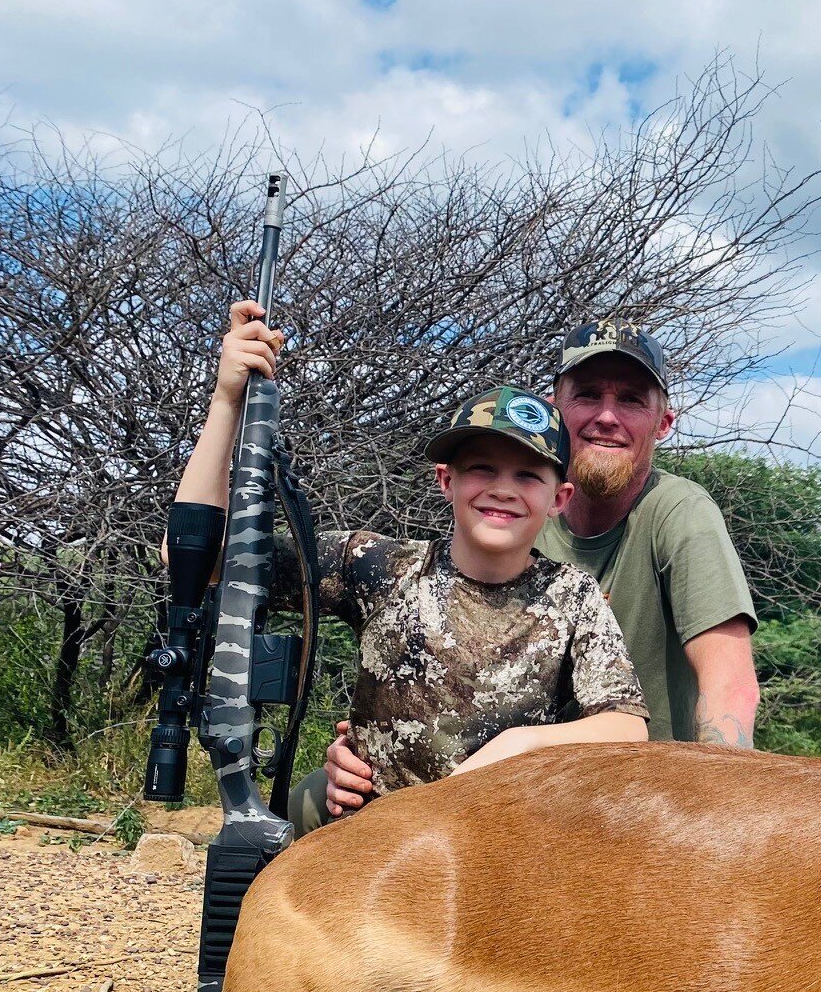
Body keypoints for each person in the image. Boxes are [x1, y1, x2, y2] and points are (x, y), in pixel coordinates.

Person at [178, 302, 651, 836]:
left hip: (493, 845)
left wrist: (522, 745)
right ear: (445, 481)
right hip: (368, 835)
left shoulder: (573, 595)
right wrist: (225, 402)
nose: (502, 488)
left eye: (526, 475)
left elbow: (626, 726)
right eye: (481, 469)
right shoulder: (377, 565)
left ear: (559, 498)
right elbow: (199, 559)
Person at [322, 319, 759, 817]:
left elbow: (731, 685)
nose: (607, 417)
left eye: (633, 400)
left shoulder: (680, 515)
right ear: (556, 409)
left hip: (639, 800)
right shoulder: (510, 523)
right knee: (312, 803)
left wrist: (721, 812)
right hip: (495, 794)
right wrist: (367, 744)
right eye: (588, 395)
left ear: (663, 423)